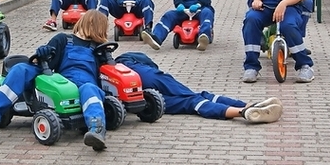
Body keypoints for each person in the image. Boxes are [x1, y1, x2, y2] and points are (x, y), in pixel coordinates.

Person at [0, 10, 110, 151]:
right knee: (20, 69)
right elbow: (47, 60)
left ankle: (96, 129)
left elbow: (109, 73)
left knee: (89, 90)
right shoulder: (63, 39)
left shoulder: (99, 48)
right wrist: (43, 52)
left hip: (86, 84)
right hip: (63, 82)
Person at [115, 52, 283, 123]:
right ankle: (246, 106)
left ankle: (243, 111)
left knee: (191, 102)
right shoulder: (129, 58)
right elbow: (152, 66)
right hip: (146, 74)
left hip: (137, 93)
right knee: (198, 95)